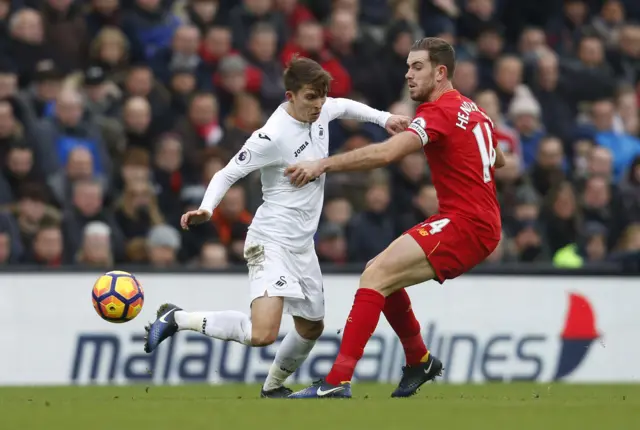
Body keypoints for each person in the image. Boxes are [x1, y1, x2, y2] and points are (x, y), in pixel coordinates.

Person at [142, 56, 410, 398]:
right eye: (311, 97)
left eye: (322, 96)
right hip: (270, 240)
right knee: (263, 333)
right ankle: (177, 319)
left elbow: (343, 106)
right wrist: (207, 208)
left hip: (303, 244)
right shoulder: (271, 136)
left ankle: (272, 389)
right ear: (290, 95)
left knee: (312, 327)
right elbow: (226, 173)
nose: (319, 104)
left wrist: (385, 118)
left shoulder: (324, 108)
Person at [285, 37, 506, 399]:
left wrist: (322, 164)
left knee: (375, 276)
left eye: (417, 67)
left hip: (466, 223)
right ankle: (418, 359)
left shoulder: (439, 112)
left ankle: (339, 379)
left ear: (440, 72)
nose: (408, 74)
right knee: (381, 271)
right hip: (475, 220)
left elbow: (388, 155)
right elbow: (499, 160)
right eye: (407, 67)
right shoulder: (472, 109)